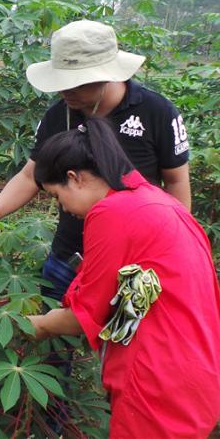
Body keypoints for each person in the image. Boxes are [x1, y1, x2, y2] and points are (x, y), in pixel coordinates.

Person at [0, 19, 191, 302]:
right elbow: (31, 176)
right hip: (68, 256)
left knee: (121, 340)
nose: (65, 91)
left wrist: (174, 251)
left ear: (106, 74)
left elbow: (176, 183)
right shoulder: (58, 115)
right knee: (58, 338)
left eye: (75, 83)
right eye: (61, 82)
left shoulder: (157, 112)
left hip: (135, 261)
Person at [26, 117, 220, 437]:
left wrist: (35, 326)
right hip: (194, 369)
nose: (63, 209)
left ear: (74, 177)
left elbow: (88, 312)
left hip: (157, 378)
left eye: (57, 197)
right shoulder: (156, 201)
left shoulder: (112, 212)